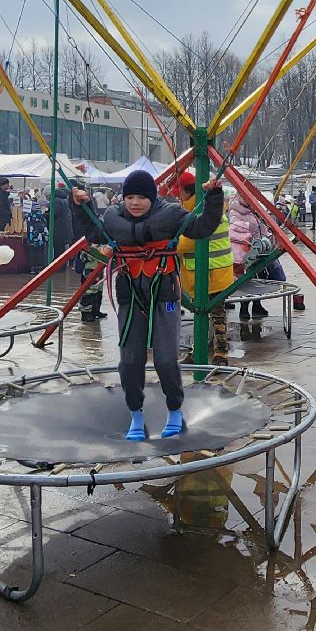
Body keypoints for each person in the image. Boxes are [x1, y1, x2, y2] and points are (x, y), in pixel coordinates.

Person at [98, 170, 225, 441]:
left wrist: (213, 196)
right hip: (131, 294)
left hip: (164, 293)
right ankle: (136, 414)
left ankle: (174, 410)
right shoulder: (113, 218)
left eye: (141, 197)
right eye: (130, 197)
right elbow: (89, 232)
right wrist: (79, 204)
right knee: (130, 360)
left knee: (166, 359)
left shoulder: (170, 215)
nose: (135, 203)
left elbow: (203, 227)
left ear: (152, 198)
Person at [175, 173, 233, 369]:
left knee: (213, 316)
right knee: (213, 316)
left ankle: (219, 354)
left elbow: (183, 244)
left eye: (179, 193)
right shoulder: (213, 209)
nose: (177, 197)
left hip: (208, 275)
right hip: (218, 274)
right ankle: (206, 351)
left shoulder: (196, 214)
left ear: (187, 192)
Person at [226, 196, 269, 322]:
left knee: (260, 276)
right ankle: (244, 307)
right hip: (245, 250)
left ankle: (257, 304)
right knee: (246, 279)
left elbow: (263, 226)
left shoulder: (255, 210)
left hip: (259, 248)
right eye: (245, 196)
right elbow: (236, 231)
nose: (249, 199)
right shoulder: (235, 212)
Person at [69, 186, 106, 322]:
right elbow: (84, 214)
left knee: (98, 284)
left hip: (99, 253)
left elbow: (91, 214)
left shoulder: (92, 215)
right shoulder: (81, 216)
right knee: (89, 284)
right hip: (90, 253)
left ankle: (95, 309)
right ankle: (86, 311)